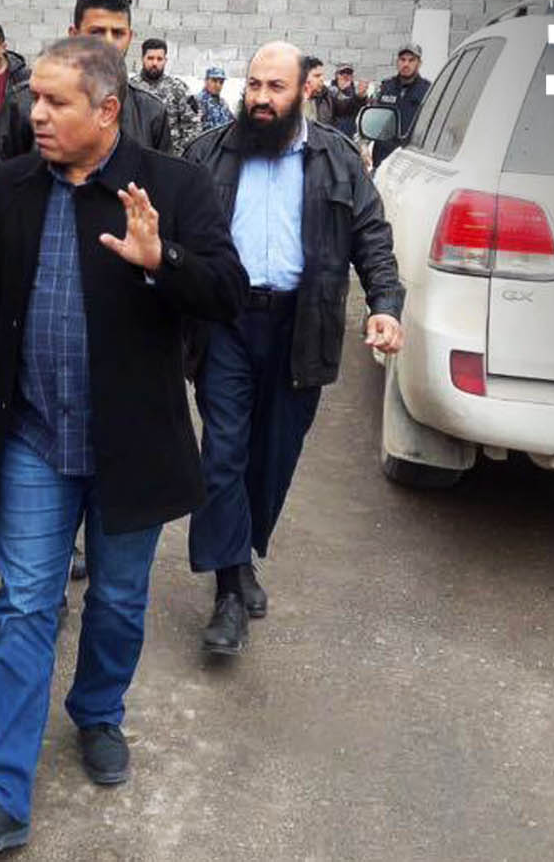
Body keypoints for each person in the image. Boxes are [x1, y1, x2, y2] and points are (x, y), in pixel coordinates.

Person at [0, 36, 246, 854]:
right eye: (32, 99)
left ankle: (99, 711)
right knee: (23, 604)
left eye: (55, 102)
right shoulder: (13, 186)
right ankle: (1, 790)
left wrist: (162, 259)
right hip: (34, 436)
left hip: (131, 442)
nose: (35, 114)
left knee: (116, 598)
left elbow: (227, 291)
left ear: (107, 110)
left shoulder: (172, 186)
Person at [182, 42, 404, 656]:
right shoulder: (207, 153)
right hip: (225, 322)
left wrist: (385, 305)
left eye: (274, 87)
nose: (259, 98)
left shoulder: (337, 157)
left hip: (302, 326)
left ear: (305, 89)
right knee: (223, 453)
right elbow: (176, 236)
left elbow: (371, 235)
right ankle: (229, 589)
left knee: (273, 456)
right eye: (254, 85)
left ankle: (243, 554)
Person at [0, 0, 170, 159]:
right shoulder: (23, 105)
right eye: (97, 32)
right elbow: (2, 173)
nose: (108, 43)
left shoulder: (151, 114)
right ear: (74, 35)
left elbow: (161, 174)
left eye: (118, 33)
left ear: (130, 37)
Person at [130, 37, 198, 153]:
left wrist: (180, 155)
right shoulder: (131, 88)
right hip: (137, 155)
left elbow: (192, 126)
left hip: (169, 157)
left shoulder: (178, 88)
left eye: (159, 59)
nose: (154, 63)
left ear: (165, 61)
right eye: (150, 58)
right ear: (142, 59)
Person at [369, 43, 432, 168]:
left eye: (411, 60)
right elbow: (370, 119)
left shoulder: (428, 91)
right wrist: (363, 146)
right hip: (383, 159)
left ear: (419, 63)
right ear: (397, 62)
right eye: (402, 60)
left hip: (411, 161)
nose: (406, 64)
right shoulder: (385, 87)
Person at [328, 62, 367, 138]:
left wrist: (362, 96)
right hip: (335, 134)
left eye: (348, 73)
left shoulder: (356, 91)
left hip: (351, 133)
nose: (345, 76)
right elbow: (341, 106)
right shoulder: (331, 91)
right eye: (342, 73)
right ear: (336, 75)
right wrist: (357, 96)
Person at [196, 66, 234, 131]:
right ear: (206, 81)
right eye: (214, 81)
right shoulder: (197, 102)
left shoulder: (223, 104)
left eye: (221, 82)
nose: (218, 85)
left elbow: (231, 124)